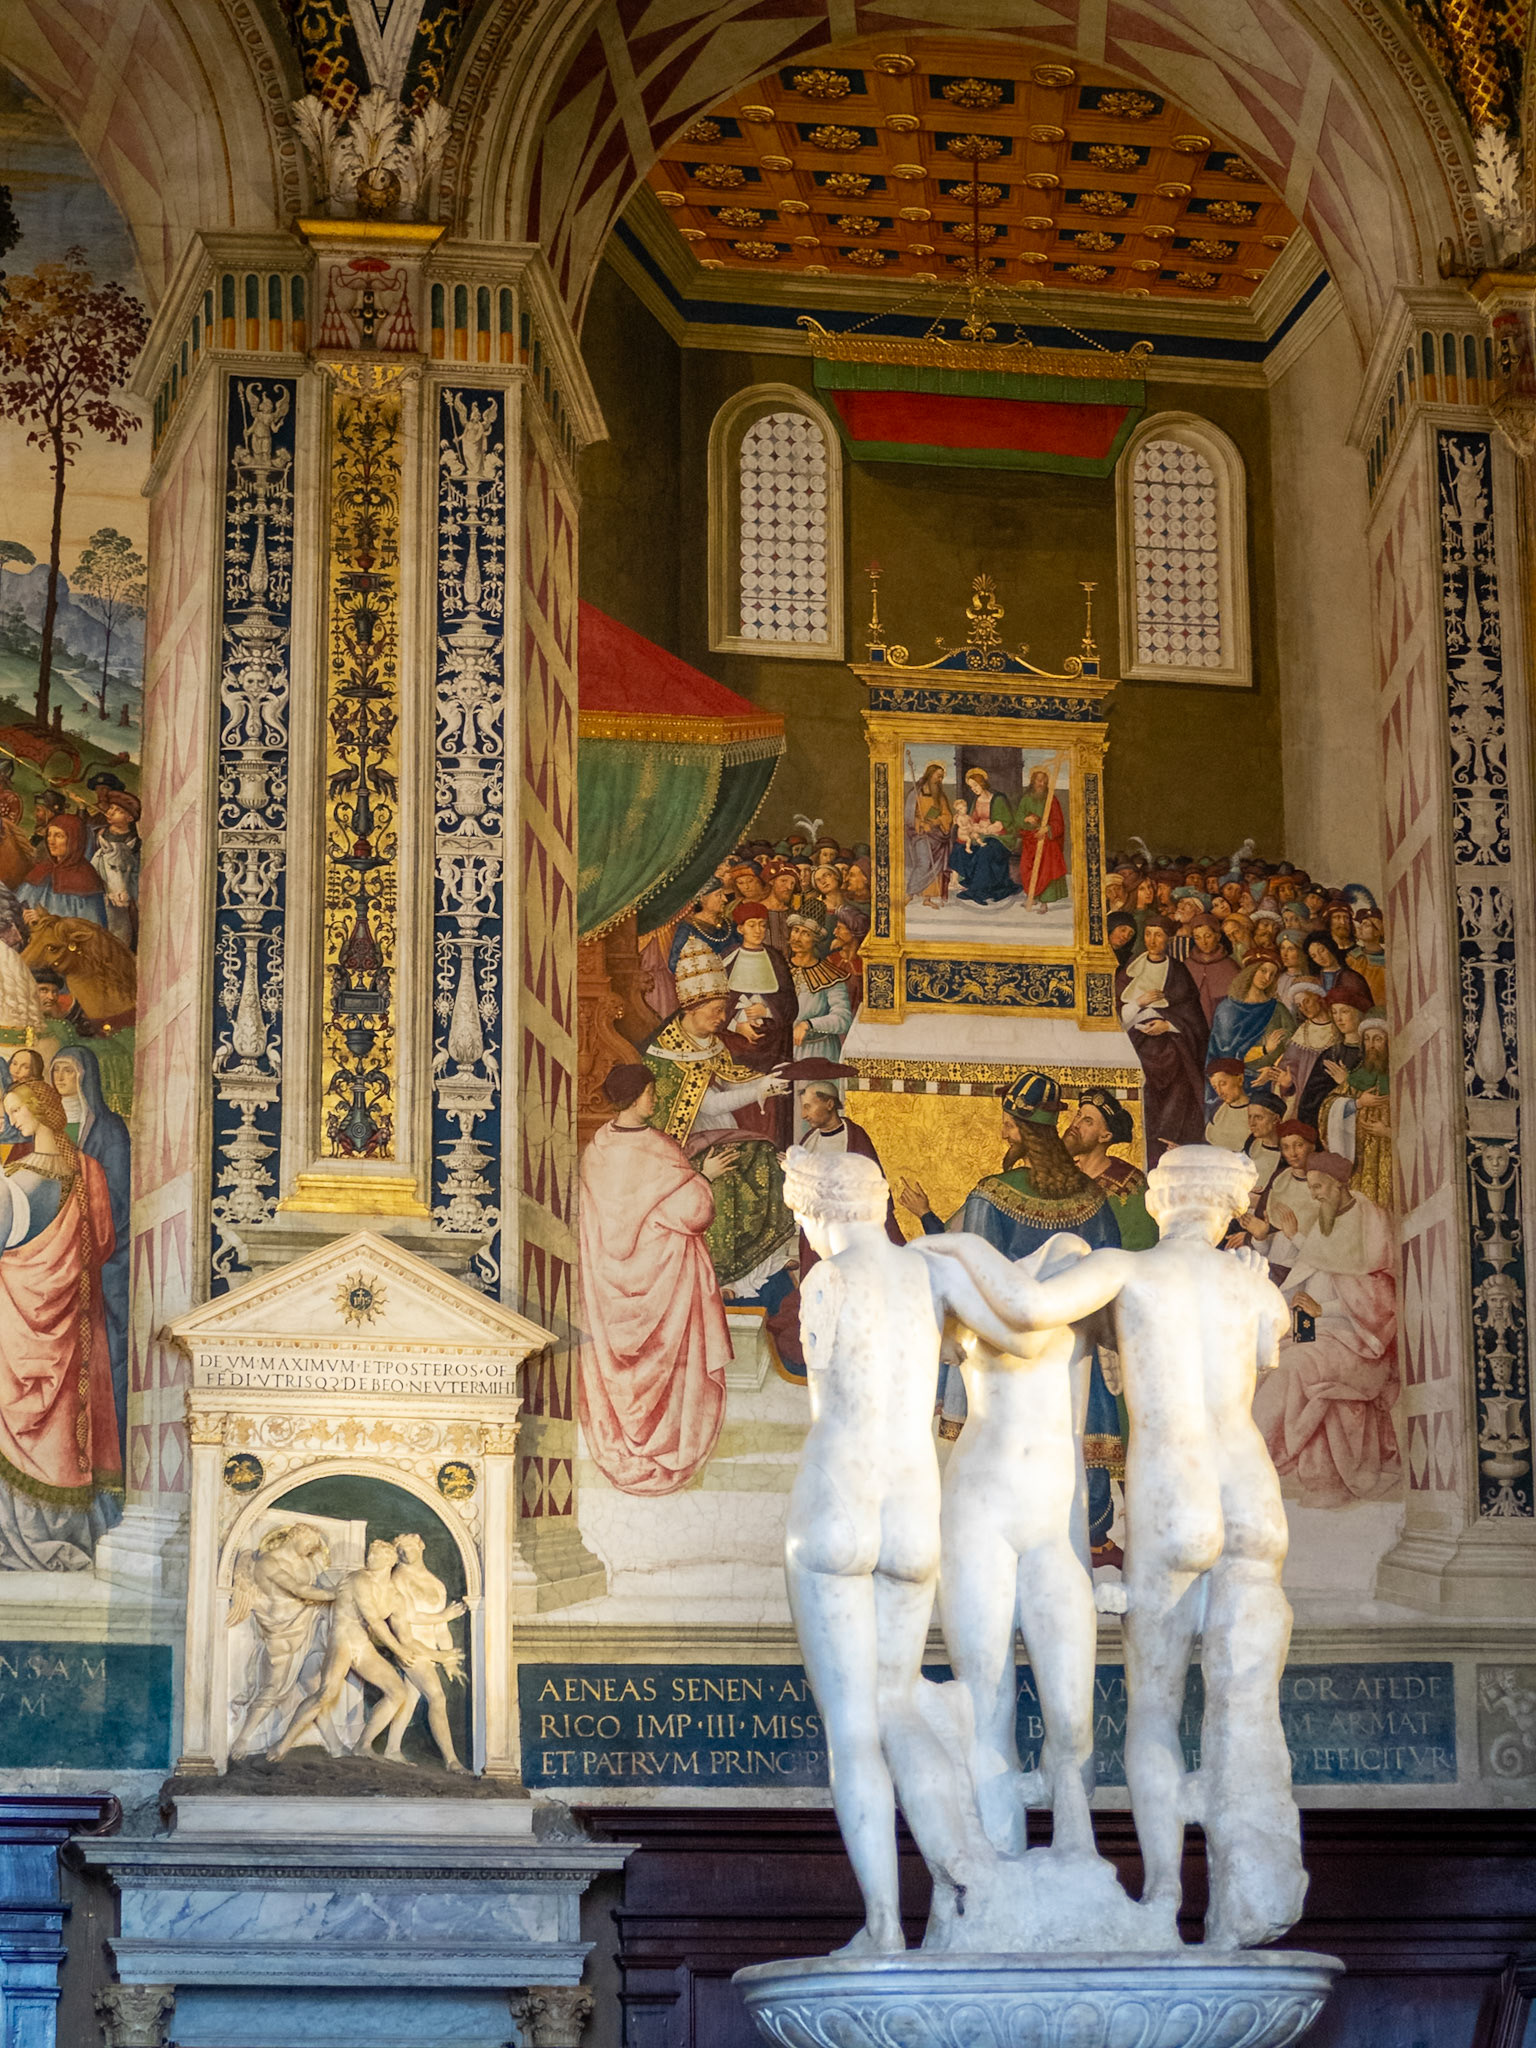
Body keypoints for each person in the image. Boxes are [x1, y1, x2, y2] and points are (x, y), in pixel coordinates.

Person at [916, 1146, 1306, 1950]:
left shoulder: (1131, 1269)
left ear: (1161, 1200)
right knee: (1247, 1706)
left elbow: (1028, 1307)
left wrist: (938, 1243)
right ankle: (1240, 1914)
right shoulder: (1253, 1284)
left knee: (1156, 1710)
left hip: (1177, 1493)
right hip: (1252, 1494)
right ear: (1230, 1207)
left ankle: (1164, 1901)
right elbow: (1265, 1355)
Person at [779, 1144, 1039, 1954]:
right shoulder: (931, 1273)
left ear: (818, 1210)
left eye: (801, 1215)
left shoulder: (827, 1279)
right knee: (900, 1704)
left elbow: (826, 1401)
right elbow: (1023, 1329)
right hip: (913, 1511)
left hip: (838, 1500)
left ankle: (886, 1928)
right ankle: (965, 1881)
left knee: (853, 1729)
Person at [897, 1072, 1124, 1554]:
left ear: (1020, 1129)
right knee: (1070, 1455)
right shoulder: (1093, 1198)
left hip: (1004, 1357)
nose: (1002, 1132)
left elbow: (976, 1281)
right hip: (1074, 1356)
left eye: (1006, 1123)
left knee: (995, 1465)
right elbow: (1112, 1274)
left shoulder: (991, 1195)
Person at [578, 1063, 734, 1494]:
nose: (656, 1099)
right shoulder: (659, 1148)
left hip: (609, 1285)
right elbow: (694, 1212)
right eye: (650, 1091)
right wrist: (705, 1176)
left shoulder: (596, 1149)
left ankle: (626, 1441)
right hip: (663, 1281)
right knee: (671, 1360)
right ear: (635, 1096)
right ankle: (668, 1442)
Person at [0, 1077, 122, 1570]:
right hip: (70, 1316)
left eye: (17, 1110)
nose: (13, 1119)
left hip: (16, 1312)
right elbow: (105, 1242)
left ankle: (16, 1537)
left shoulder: (14, 1177)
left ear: (39, 1110)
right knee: (66, 1417)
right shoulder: (88, 1170)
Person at [643, 941, 794, 1299]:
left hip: (715, 1132)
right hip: (680, 1147)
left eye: (722, 1009)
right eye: (714, 1010)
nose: (721, 1017)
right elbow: (707, 1105)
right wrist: (760, 1091)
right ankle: (721, 1274)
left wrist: (766, 1082)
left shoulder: (708, 1040)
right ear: (692, 1008)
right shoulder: (667, 1052)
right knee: (726, 1181)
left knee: (764, 1158)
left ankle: (761, 1263)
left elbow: (728, 1078)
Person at [1253, 1151, 1402, 1507]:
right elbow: (1310, 1273)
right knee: (1266, 1365)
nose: (1314, 1194)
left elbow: (1381, 1297)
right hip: (1317, 1334)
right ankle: (1255, 1460)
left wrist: (1323, 1310)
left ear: (1337, 1184)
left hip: (1360, 1341)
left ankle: (1258, 1458)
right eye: (1312, 1188)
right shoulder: (1326, 1222)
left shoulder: (1370, 1220)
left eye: (1318, 1187)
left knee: (1294, 1367)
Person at [47, 1045, 129, 1457]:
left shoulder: (108, 1129)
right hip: (50, 1248)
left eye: (68, 1070)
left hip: (96, 1248)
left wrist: (81, 1189)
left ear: (86, 1076)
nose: (60, 1077)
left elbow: (118, 1193)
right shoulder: (44, 1127)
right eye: (56, 1070)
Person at [267, 1540, 416, 1762]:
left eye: (375, 1555)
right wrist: (398, 1650)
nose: (369, 1558)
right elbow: (374, 1620)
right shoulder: (358, 1579)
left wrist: (430, 1654)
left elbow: (405, 1633)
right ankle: (283, 1744)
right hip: (342, 1640)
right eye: (370, 1553)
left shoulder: (395, 1597)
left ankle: (363, 1745)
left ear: (389, 1561)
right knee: (326, 1694)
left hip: (362, 1645)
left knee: (398, 1692)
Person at [227, 1525, 339, 1759]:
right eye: (309, 1543)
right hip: (281, 1629)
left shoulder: (307, 1562)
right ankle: (243, 1738)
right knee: (273, 1688)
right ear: (296, 1536)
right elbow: (299, 1589)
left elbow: (311, 1589)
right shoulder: (269, 1562)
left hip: (309, 1619)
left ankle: (335, 1744)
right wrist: (339, 1593)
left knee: (318, 1686)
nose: (311, 1549)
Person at [1115, 918, 1209, 1157]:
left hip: (1173, 1047)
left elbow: (1194, 1017)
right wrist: (1139, 1002)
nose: (1152, 941)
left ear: (1168, 939)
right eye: (1148, 934)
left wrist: (1168, 1025)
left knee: (1178, 1094)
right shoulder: (1130, 969)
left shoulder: (1178, 971)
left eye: (1158, 935)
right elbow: (1115, 1012)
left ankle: (1168, 1149)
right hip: (1135, 1045)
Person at [382, 1532, 468, 1772]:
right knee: (437, 1697)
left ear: (421, 1546)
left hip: (428, 1651)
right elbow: (408, 1616)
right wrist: (444, 1616)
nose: (405, 1553)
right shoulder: (398, 1578)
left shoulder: (436, 1583)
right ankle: (451, 1760)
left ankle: (392, 1749)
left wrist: (449, 1660)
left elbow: (441, 1628)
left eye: (409, 1547)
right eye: (400, 1550)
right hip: (410, 1648)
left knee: (410, 1699)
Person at [1061, 1086, 1157, 1249]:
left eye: (1087, 1121)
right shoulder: (1062, 1175)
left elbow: (1140, 1247)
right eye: (1078, 1115)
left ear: (1105, 1136)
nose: (1076, 1124)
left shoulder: (1128, 1185)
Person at [1240, 1120, 1320, 1283]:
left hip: (1305, 1271)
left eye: (1299, 1145)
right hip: (1272, 1266)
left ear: (1311, 1146)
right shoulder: (1280, 1178)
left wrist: (1294, 1235)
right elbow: (1265, 1246)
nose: (1293, 1153)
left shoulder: (1325, 1184)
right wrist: (1260, 1237)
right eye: (1286, 1147)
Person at [1205, 958, 1293, 1104]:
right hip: (1236, 1084)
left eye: (1272, 974)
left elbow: (1293, 1049)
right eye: (1263, 971)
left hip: (1273, 1082)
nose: (1267, 978)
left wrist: (1273, 1070)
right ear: (1250, 972)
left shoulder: (1278, 1009)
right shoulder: (1227, 1009)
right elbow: (1226, 1056)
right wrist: (1264, 1050)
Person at [786, 914, 853, 1079]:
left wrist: (808, 1024)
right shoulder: (778, 967)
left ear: (816, 939)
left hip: (818, 1052)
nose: (797, 938)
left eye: (805, 933)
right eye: (795, 930)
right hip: (783, 1051)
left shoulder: (830, 976)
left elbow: (843, 1019)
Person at [18, 815, 107, 930]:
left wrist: (46, 919)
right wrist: (23, 913)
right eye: (49, 835)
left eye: (59, 836)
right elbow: (18, 903)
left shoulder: (86, 878)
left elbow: (91, 928)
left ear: (74, 841)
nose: (51, 841)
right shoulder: (42, 870)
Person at [949, 768, 1019, 907]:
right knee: (960, 847)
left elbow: (1002, 823)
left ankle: (978, 891)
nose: (973, 789)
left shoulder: (998, 799)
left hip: (1000, 838)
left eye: (975, 785)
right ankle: (969, 881)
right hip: (981, 834)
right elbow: (972, 819)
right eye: (971, 787)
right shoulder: (977, 799)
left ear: (982, 783)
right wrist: (970, 826)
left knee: (985, 851)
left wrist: (987, 829)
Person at [90, 789, 141, 951]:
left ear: (129, 818)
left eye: (118, 810)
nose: (110, 813)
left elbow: (135, 873)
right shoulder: (98, 834)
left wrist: (129, 893)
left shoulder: (134, 842)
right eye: (111, 808)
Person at [1016, 763, 1068, 915]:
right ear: (1033, 781)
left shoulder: (1051, 799)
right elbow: (1018, 818)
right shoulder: (1026, 799)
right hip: (1030, 839)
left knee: (1046, 869)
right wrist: (1026, 819)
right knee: (1027, 868)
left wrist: (1047, 829)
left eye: (1045, 781)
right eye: (1039, 780)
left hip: (1047, 841)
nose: (1042, 783)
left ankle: (1044, 902)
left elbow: (1059, 822)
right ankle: (1032, 897)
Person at [905, 761, 952, 906]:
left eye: (942, 777)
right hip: (920, 834)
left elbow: (947, 816)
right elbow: (908, 816)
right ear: (930, 775)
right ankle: (910, 894)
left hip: (937, 835)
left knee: (935, 867)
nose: (940, 780)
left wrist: (935, 822)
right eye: (938, 776)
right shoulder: (915, 793)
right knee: (924, 863)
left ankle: (927, 899)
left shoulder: (940, 796)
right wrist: (920, 823)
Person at [1184, 917, 1237, 1024]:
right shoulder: (1187, 965)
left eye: (1208, 936)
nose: (1203, 942)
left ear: (1217, 937)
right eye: (1197, 938)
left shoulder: (1230, 965)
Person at [1204, 1060, 1250, 1150]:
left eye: (1223, 1084)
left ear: (1240, 1079)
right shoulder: (1217, 1110)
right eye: (1215, 1087)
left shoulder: (1256, 1111)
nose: (1219, 1092)